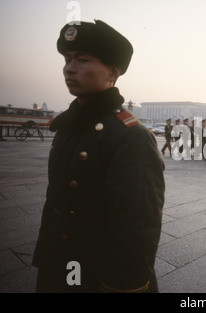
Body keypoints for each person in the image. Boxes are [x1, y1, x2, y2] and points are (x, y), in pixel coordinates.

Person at [32, 19, 165, 293]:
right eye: (67, 59)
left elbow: (137, 227)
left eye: (82, 60)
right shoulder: (69, 127)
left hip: (96, 270)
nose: (70, 68)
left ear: (112, 73)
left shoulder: (130, 135)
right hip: (61, 262)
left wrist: (122, 286)